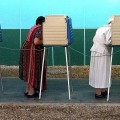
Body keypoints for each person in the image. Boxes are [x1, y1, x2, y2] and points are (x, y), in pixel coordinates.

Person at [19, 16, 47, 98]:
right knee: (32, 70)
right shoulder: (40, 28)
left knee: (28, 70)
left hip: (26, 48)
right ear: (42, 22)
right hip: (32, 51)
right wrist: (46, 40)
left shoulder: (33, 27)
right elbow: (36, 41)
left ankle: (28, 90)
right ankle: (31, 92)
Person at [89, 19, 113, 99]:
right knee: (102, 71)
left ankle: (102, 90)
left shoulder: (100, 28)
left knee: (97, 71)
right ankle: (98, 93)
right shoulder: (110, 29)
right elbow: (108, 41)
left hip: (94, 50)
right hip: (102, 52)